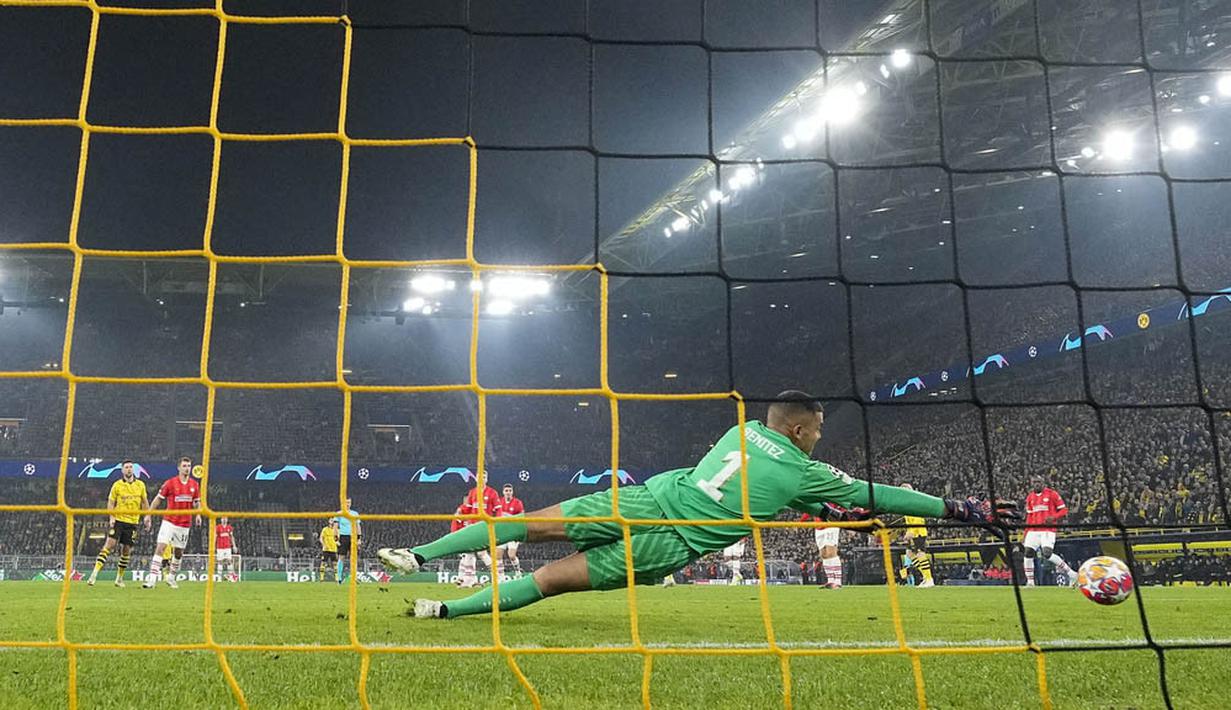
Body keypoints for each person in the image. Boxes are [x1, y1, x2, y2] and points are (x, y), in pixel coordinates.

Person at [379, 391, 1016, 619]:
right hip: (674, 538)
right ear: (800, 429)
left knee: (526, 524)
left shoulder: (739, 430)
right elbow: (875, 493)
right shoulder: (806, 468)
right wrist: (957, 507)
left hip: (646, 495)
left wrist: (818, 511)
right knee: (546, 580)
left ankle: (417, 554)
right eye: (817, 428)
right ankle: (443, 612)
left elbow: (757, 494)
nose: (820, 436)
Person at [87, 460, 149, 587]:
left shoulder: (141, 485)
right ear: (122, 470)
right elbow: (110, 502)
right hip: (119, 520)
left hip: (132, 522)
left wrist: (147, 516)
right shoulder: (117, 485)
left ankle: (119, 578)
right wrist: (111, 517)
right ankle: (94, 574)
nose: (129, 469)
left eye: (131, 467)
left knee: (126, 550)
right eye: (126, 467)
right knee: (110, 544)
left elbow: (144, 502)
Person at [143, 457, 202, 589]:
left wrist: (198, 514)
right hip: (169, 521)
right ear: (179, 468)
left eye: (189, 466)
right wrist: (149, 514)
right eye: (185, 466)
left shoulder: (194, 485)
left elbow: (197, 502)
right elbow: (158, 499)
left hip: (184, 524)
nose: (187, 468)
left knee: (178, 552)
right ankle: (151, 580)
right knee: (161, 548)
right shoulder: (170, 483)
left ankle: (171, 577)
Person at [1023, 473, 1078, 587]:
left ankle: (1071, 573)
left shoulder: (1052, 494)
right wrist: (1025, 533)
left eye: (1038, 482)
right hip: (1033, 530)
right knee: (1028, 552)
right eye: (1034, 482)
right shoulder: (1030, 497)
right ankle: (1030, 582)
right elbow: (1029, 516)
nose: (1036, 484)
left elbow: (1063, 510)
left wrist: (1053, 517)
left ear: (1043, 483)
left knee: (1047, 554)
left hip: (1048, 530)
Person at [899, 483, 934, 588]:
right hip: (913, 532)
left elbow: (918, 518)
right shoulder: (906, 503)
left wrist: (912, 532)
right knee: (909, 554)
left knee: (920, 554)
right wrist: (908, 532)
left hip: (918, 532)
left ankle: (929, 579)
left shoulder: (914, 502)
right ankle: (925, 576)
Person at [496, 484, 525, 576]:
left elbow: (522, 518)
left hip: (513, 533)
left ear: (512, 492)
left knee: (511, 555)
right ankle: (501, 577)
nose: (508, 492)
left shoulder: (517, 503)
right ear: (503, 492)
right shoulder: (499, 502)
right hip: (502, 532)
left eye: (510, 491)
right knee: (498, 555)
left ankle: (518, 572)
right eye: (506, 491)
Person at [334, 498, 361, 584]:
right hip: (343, 537)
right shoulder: (339, 514)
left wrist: (359, 538)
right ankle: (339, 578)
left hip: (353, 537)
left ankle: (354, 578)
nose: (348, 504)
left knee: (353, 558)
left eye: (349, 502)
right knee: (341, 557)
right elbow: (335, 527)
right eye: (346, 502)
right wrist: (336, 539)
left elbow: (358, 526)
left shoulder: (355, 514)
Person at [215, 516, 238, 582]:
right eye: (223, 519)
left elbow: (232, 537)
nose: (224, 520)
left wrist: (234, 546)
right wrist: (213, 545)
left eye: (225, 519)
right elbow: (215, 536)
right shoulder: (218, 527)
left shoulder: (229, 528)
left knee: (229, 561)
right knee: (220, 561)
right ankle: (219, 578)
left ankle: (231, 577)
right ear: (221, 520)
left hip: (227, 547)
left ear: (227, 520)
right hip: (220, 547)